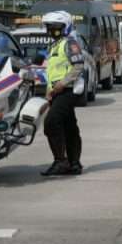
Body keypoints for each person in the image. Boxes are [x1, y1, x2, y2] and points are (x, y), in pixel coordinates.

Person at [41, 11, 86, 176]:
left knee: (51, 123)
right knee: (69, 127)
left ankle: (60, 161)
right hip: (56, 92)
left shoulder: (69, 43)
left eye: (54, 27)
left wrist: (62, 83)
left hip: (67, 90)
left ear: (64, 27)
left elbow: (78, 66)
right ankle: (74, 163)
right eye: (48, 27)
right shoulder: (54, 45)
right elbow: (51, 71)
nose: (51, 30)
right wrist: (49, 91)